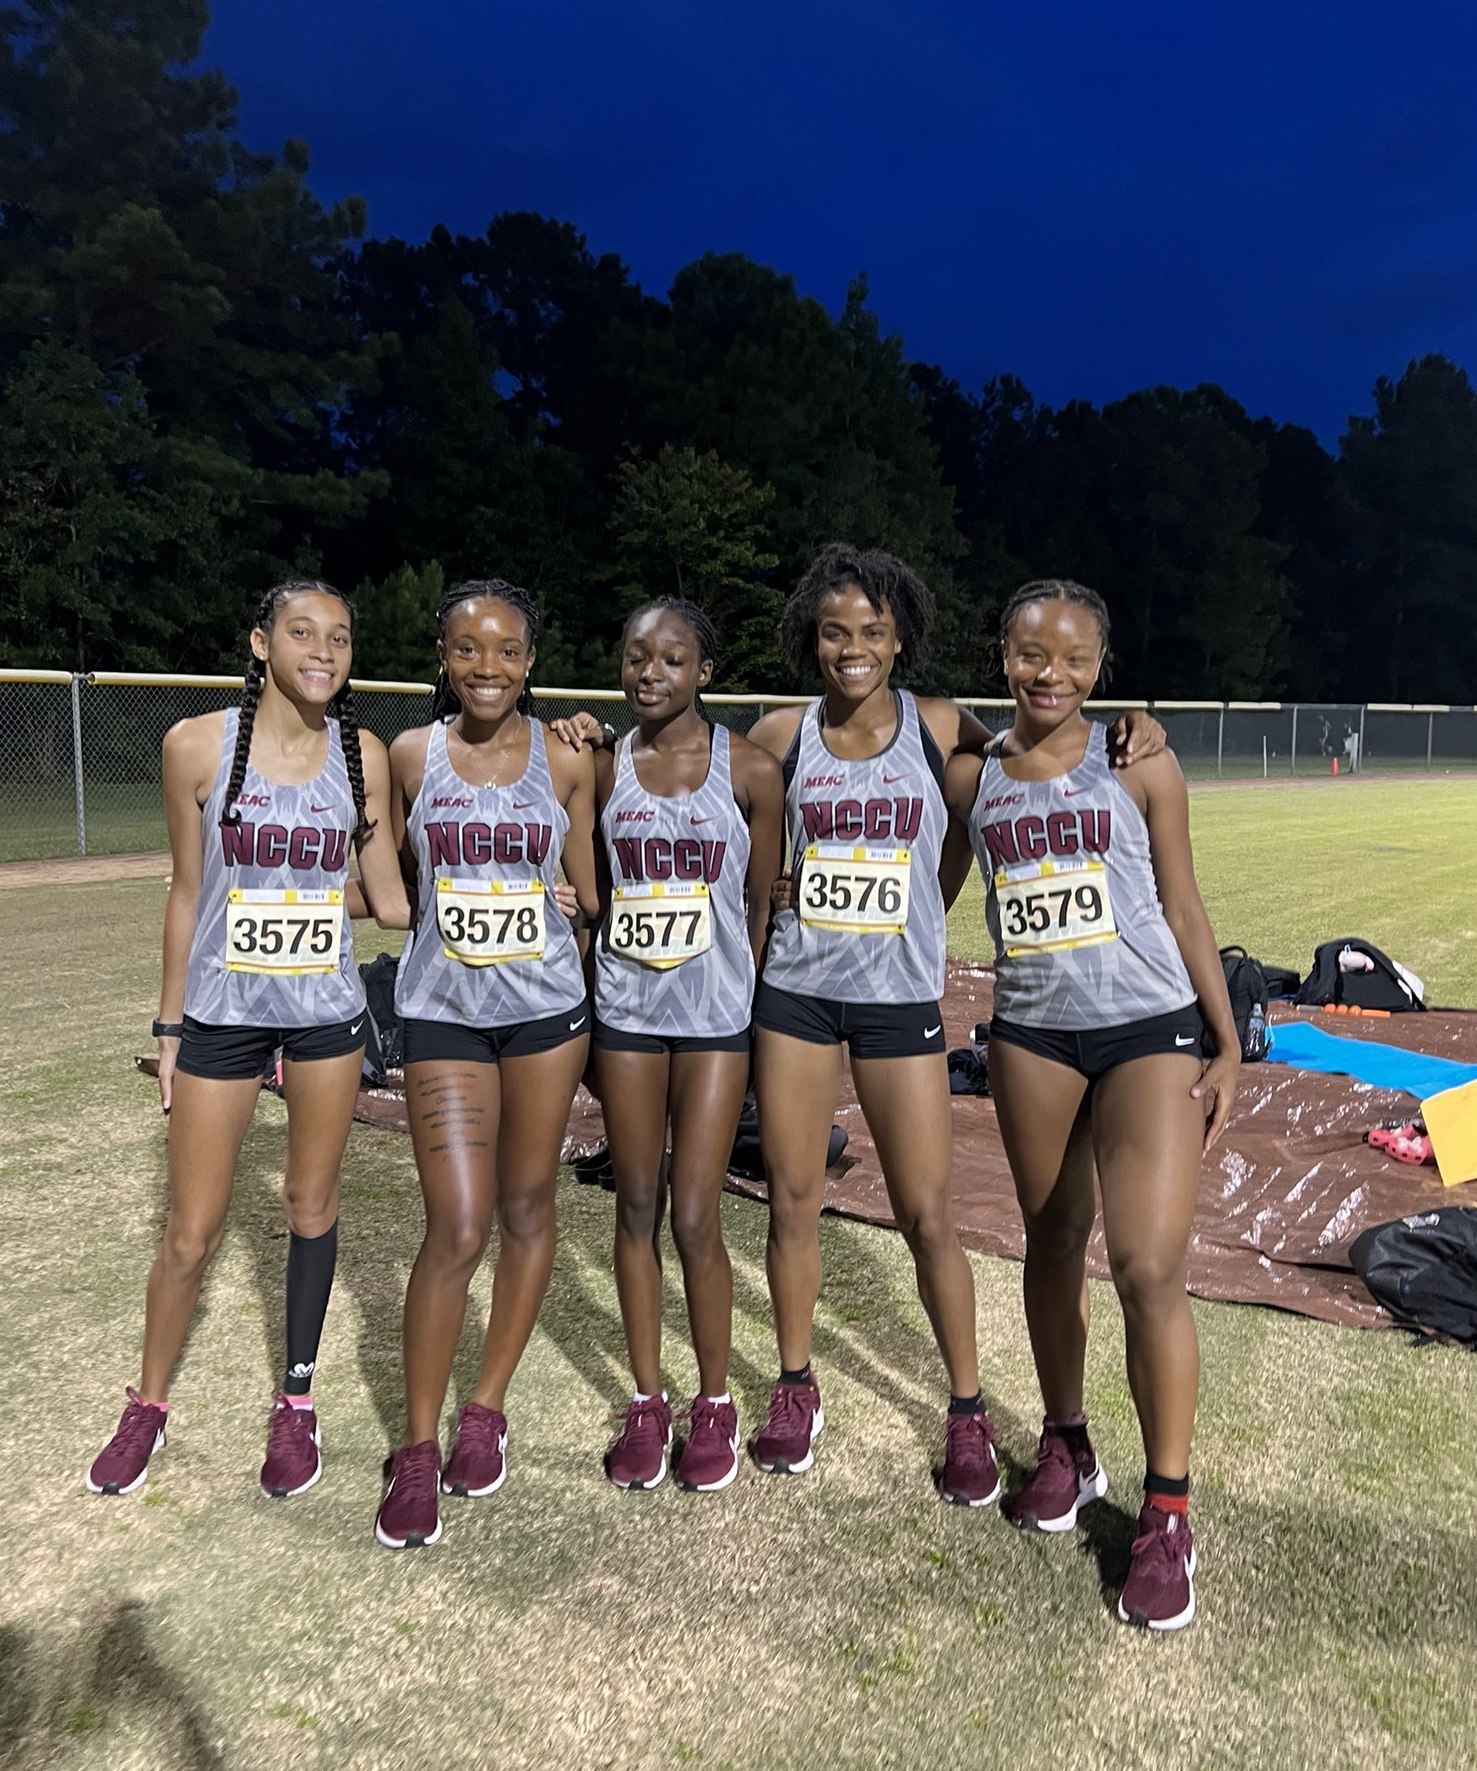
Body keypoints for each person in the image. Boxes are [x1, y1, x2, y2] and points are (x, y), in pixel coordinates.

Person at [743, 544, 1163, 1504]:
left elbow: (1038, 745)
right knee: (794, 1197)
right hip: (797, 997)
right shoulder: (777, 732)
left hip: (897, 1002)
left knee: (928, 1214)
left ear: (902, 639)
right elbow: (694, 772)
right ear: (813, 638)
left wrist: (1133, 725)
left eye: (874, 632)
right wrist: (589, 736)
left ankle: (967, 1411)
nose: (854, 649)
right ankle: (796, 1387)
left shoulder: (939, 728)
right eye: (836, 632)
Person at [945, 578, 1238, 1630]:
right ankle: (1067, 1444)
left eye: (1072, 658)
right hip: (1031, 1031)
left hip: (1147, 1025)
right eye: (1031, 653)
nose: (1049, 673)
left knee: (1149, 1264)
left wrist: (1227, 1036)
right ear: (1003, 655)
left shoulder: (1140, 760)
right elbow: (914, 869)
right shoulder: (974, 776)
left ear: (1101, 669)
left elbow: (1184, 899)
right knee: (1052, 1237)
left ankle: (1167, 1511)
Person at [86, 581, 408, 1501]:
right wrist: (170, 1024)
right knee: (192, 1232)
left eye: (340, 637)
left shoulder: (365, 756)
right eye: (302, 632)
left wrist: (495, 893)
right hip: (225, 1016)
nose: (323, 650)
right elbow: (190, 893)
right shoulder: (195, 747)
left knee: (311, 1202)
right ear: (260, 643)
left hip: (325, 1017)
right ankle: (147, 1404)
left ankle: (296, 1401)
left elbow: (384, 899)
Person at [371, 580, 598, 1551]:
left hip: (546, 1013)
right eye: (468, 648)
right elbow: (390, 884)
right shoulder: (411, 755)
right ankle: (415, 1446)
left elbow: (587, 886)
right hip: (444, 1016)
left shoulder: (566, 756)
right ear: (441, 656)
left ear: (532, 659)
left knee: (526, 1208)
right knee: (456, 1226)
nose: (488, 666)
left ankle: (486, 1407)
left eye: (507, 649)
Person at [552, 599, 783, 1493]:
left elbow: (761, 907)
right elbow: (586, 874)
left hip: (717, 1021)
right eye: (636, 657)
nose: (650, 672)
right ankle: (647, 1403)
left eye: (672, 659)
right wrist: (569, 731)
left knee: (697, 1215)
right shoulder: (602, 769)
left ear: (705, 671)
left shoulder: (752, 771)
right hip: (628, 1015)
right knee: (637, 1206)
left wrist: (752, 1009)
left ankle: (714, 1402)